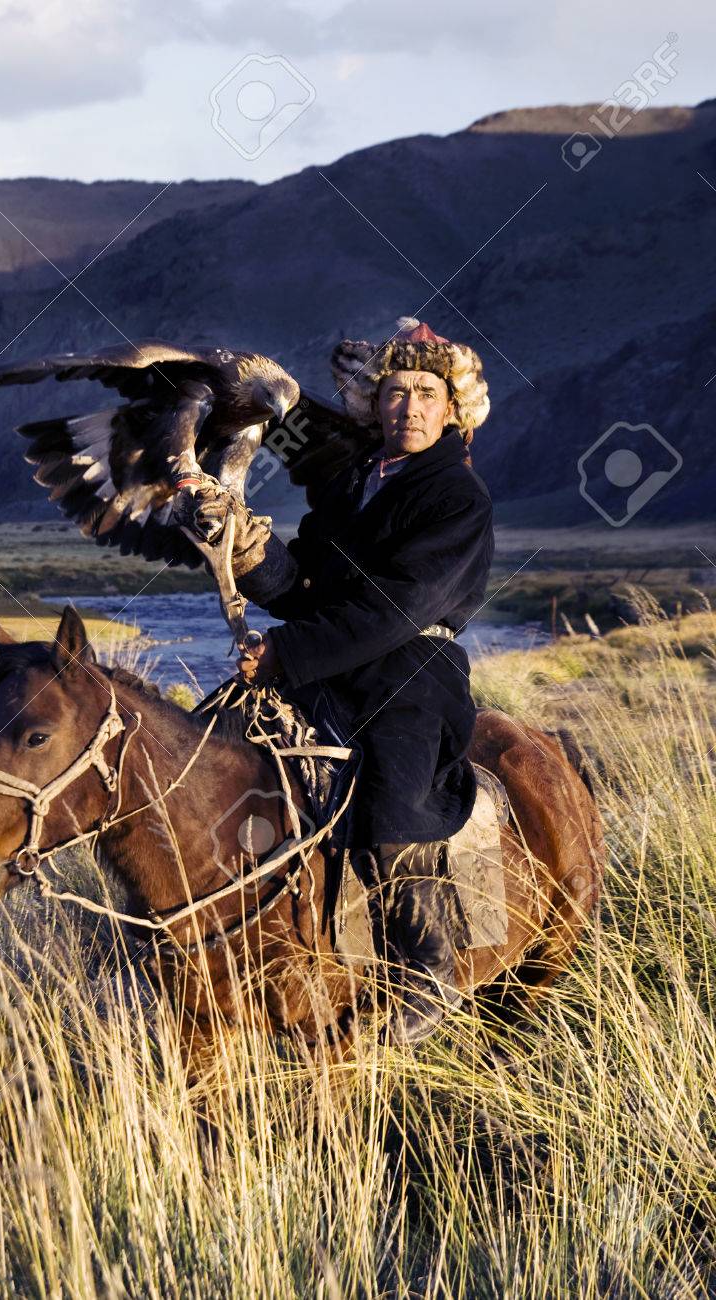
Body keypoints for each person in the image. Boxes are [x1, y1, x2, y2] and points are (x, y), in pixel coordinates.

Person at [231, 317, 495, 1042]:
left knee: (394, 798)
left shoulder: (457, 499)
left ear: (451, 409)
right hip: (332, 661)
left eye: (425, 393)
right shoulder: (350, 486)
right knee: (220, 741)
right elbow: (308, 587)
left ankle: (426, 969)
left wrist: (288, 653)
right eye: (395, 392)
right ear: (374, 404)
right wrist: (248, 554)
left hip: (412, 672)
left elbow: (399, 608)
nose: (408, 406)